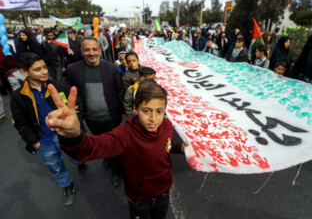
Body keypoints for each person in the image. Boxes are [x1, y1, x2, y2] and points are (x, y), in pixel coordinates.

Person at [45, 80, 189, 218]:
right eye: (146, 110)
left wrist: (179, 147)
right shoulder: (124, 135)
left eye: (159, 111)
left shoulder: (167, 125)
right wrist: (74, 136)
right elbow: (88, 149)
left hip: (164, 191)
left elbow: (167, 145)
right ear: (135, 109)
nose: (153, 118)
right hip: (139, 199)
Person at [10, 52, 86, 206]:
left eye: (44, 67)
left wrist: (75, 117)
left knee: (76, 155)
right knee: (55, 166)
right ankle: (67, 185)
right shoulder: (18, 97)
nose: (44, 71)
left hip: (65, 135)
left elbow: (76, 102)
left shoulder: (57, 86)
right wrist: (34, 142)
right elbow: (20, 123)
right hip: (43, 140)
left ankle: (80, 162)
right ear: (24, 72)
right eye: (37, 69)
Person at [66, 36, 125, 187]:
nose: (91, 53)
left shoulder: (111, 68)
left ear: (100, 50)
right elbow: (72, 94)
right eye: (87, 50)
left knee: (114, 147)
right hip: (91, 120)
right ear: (81, 51)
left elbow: (120, 92)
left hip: (112, 118)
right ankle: (107, 159)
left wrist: (123, 112)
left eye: (94, 49)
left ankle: (116, 172)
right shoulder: (73, 70)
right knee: (100, 144)